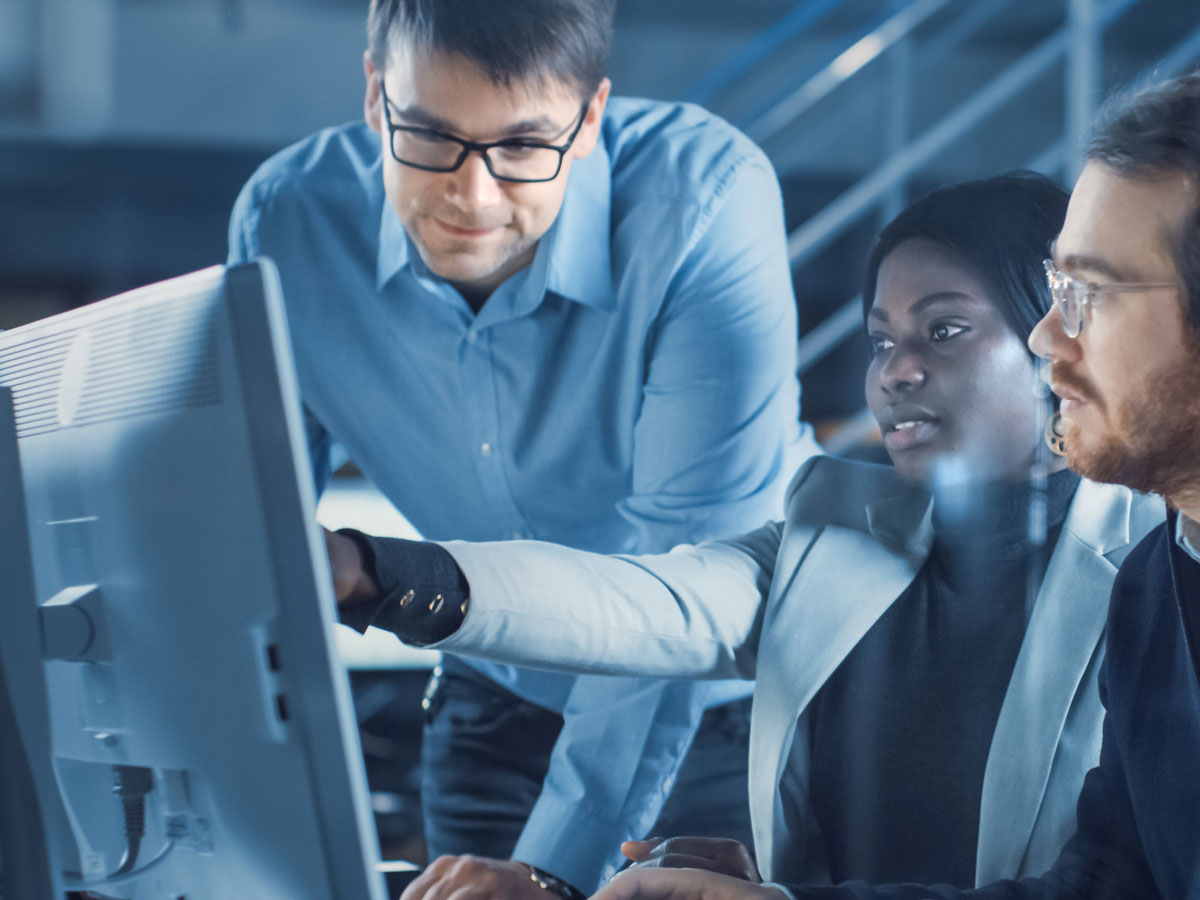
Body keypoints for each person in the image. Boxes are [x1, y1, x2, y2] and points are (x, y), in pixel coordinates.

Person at [327, 171, 1163, 898]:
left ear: (1057, 339)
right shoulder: (829, 522)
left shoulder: (1163, 560)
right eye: (881, 340)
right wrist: (376, 572)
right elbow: (645, 604)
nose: (895, 370)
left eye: (943, 330)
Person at [229, 0, 818, 894]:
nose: (472, 194)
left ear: (589, 121)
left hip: (718, 709)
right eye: (427, 134)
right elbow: (257, 543)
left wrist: (548, 874)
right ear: (373, 92)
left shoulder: (705, 202)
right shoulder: (286, 223)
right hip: (492, 687)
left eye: (521, 147)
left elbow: (686, 587)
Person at [579, 72, 1200, 900]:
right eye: (1057, 295)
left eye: (1092, 293)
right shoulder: (1157, 585)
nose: (1049, 337)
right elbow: (1104, 887)